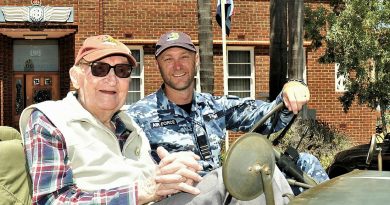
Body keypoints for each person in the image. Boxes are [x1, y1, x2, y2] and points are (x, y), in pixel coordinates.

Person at [127, 31, 329, 203]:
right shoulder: (138, 115)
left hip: (221, 193)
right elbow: (122, 169)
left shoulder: (213, 106)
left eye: (184, 57)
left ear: (196, 60)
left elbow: (266, 117)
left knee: (305, 163)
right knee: (260, 175)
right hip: (180, 196)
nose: (177, 66)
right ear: (157, 65)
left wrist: (291, 89)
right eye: (168, 59)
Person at [19, 35, 203, 205]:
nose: (112, 79)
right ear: (76, 77)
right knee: (220, 185)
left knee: (218, 185)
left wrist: (171, 174)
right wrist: (142, 192)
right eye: (100, 68)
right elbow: (52, 200)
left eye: (122, 71)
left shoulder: (129, 125)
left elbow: (151, 181)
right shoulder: (49, 119)